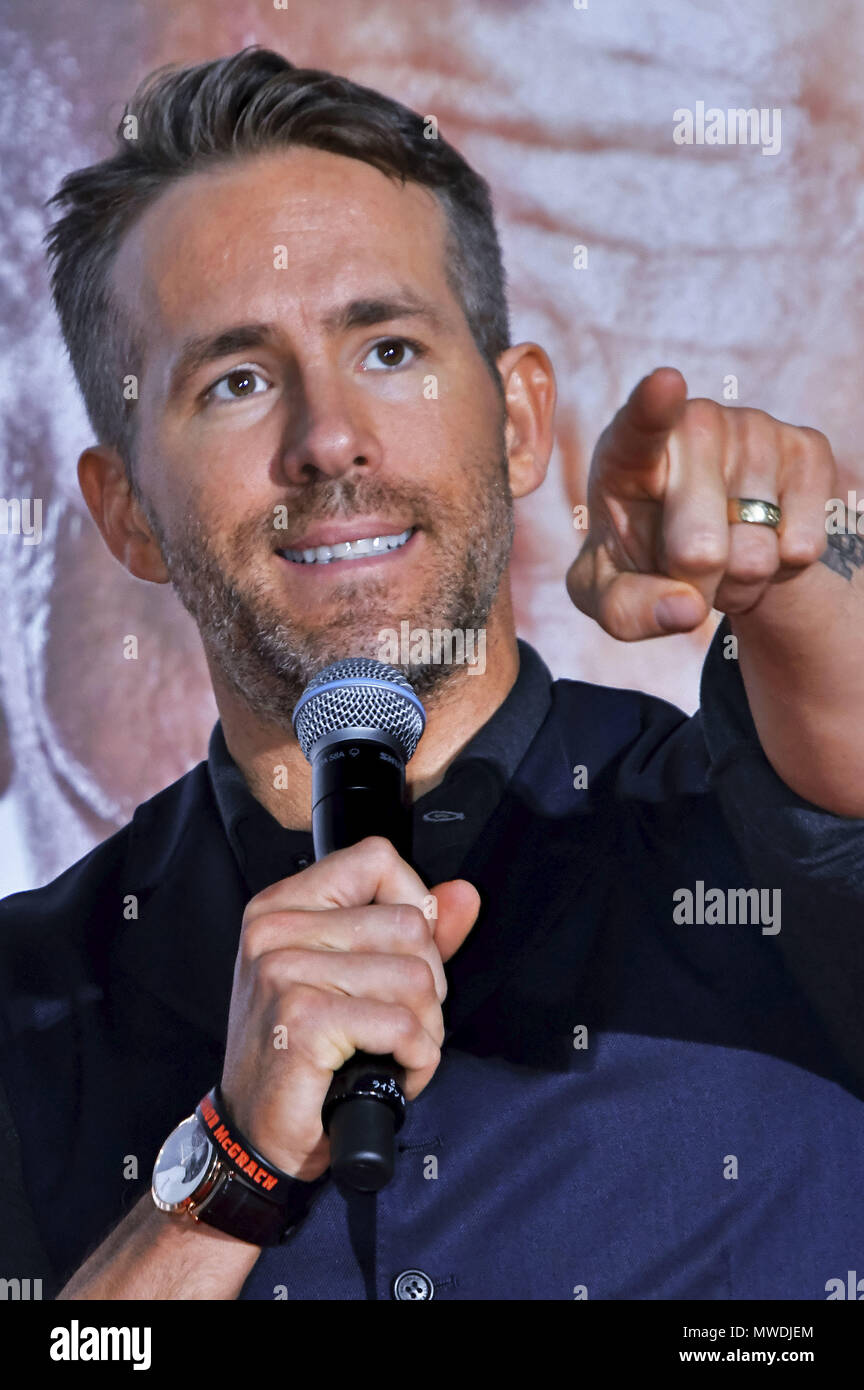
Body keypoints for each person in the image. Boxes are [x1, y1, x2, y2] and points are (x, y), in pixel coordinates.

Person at [2, 45, 863, 1302]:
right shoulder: (30, 1004)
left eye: (390, 349)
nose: (329, 439)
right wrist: (224, 1171)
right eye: (237, 381)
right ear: (126, 509)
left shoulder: (760, 845)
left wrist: (805, 548)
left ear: (518, 423)